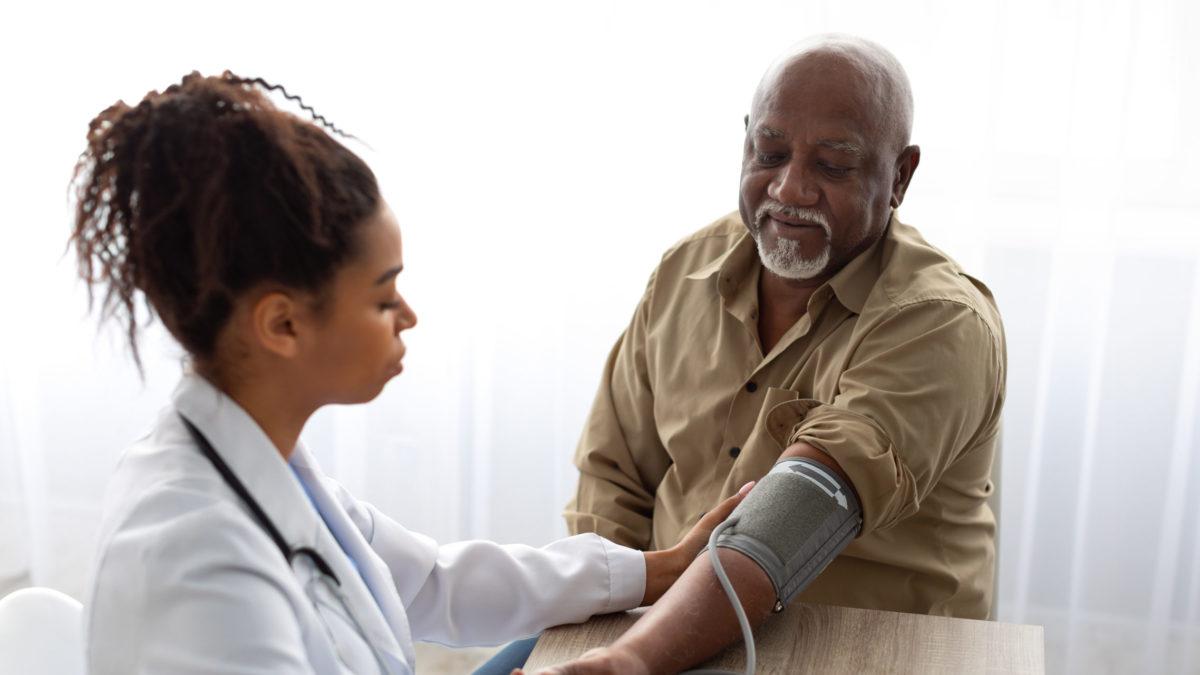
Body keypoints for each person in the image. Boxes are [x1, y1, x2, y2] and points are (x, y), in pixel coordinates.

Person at [72, 72, 751, 675]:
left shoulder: (264, 462)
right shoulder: (198, 565)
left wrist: (658, 568)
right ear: (282, 325)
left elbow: (434, 582)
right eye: (381, 296)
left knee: (572, 642)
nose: (409, 315)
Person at [546, 34, 1006, 673]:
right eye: (769, 152)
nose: (790, 189)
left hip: (857, 651)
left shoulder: (939, 322)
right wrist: (600, 634)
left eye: (833, 165)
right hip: (654, 628)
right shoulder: (686, 270)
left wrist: (631, 662)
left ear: (900, 175)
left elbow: (799, 514)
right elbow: (613, 476)